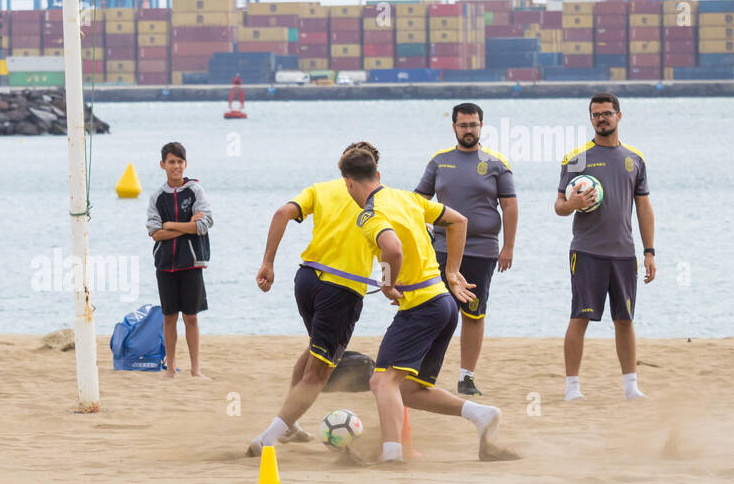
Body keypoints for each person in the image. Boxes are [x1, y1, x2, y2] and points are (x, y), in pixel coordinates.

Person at [339, 144, 518, 463]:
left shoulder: (369, 214)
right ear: (377, 175)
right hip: (443, 303)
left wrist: (388, 284)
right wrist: (451, 271)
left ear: (348, 183)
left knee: (381, 380)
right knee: (407, 389)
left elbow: (392, 250)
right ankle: (481, 415)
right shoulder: (408, 198)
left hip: (422, 306)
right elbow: (459, 221)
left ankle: (391, 456)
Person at [247, 141, 385, 456]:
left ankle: (289, 426)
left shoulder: (322, 189)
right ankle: (267, 437)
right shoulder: (381, 198)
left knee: (314, 350)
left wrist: (267, 262)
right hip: (341, 289)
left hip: (306, 279)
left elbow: (282, 213)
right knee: (320, 371)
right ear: (375, 171)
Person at [556, 92, 656, 401]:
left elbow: (643, 208)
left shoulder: (634, 159)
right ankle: (572, 387)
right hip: (587, 251)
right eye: (596, 114)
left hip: (624, 253)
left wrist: (649, 251)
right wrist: (571, 203)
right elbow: (559, 206)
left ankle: (630, 386)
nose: (602, 118)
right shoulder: (577, 158)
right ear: (591, 119)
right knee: (580, 316)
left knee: (624, 320)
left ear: (619, 116)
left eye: (607, 113)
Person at [413, 102, 517, 396]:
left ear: (481, 127)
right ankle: (420, 368)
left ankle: (466, 377)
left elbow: (510, 206)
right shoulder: (440, 161)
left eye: (473, 125)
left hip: (482, 250)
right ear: (454, 127)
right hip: (443, 249)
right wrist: (424, 234)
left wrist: (508, 246)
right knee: (435, 310)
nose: (468, 130)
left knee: (474, 313)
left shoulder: (496, 164)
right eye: (463, 125)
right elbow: (418, 201)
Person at [146, 141, 214, 378]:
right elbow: (155, 232)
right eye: (171, 162)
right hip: (165, 263)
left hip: (191, 262)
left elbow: (205, 224)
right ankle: (171, 369)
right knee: (169, 317)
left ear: (185, 164)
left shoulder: (195, 191)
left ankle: (196, 370)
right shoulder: (157, 197)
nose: (176, 166)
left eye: (179, 162)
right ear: (162, 164)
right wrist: (188, 226)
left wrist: (172, 225)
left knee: (191, 317)